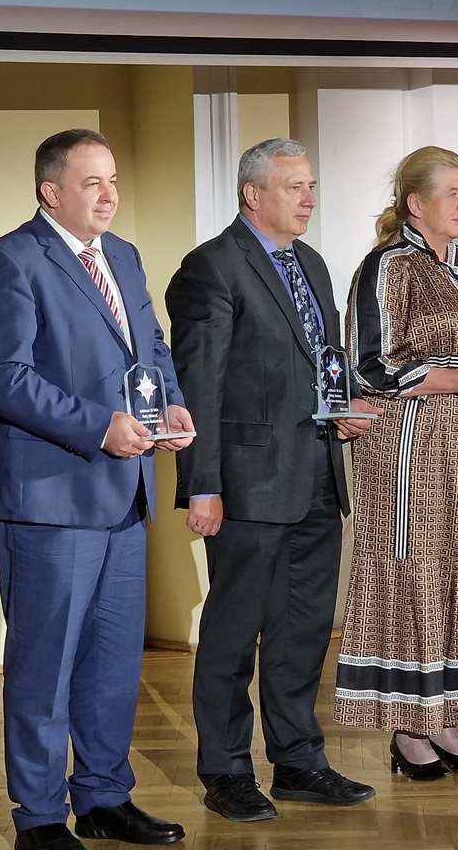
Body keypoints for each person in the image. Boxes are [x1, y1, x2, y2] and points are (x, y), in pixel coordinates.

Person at [0, 129, 195, 850]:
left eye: (114, 181)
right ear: (51, 192)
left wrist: (171, 405)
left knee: (111, 664)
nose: (109, 195)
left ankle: (103, 796)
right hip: (50, 499)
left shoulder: (122, 256)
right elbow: (2, 377)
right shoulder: (10, 261)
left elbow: (150, 348)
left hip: (125, 494)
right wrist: (99, 428)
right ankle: (38, 818)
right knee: (45, 666)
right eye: (92, 182)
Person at [166, 138, 379, 824]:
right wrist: (201, 485)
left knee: (303, 630)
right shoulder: (210, 268)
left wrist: (342, 407)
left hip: (317, 473)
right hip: (247, 483)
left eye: (311, 185)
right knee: (233, 635)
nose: (309, 199)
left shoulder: (311, 263)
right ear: (252, 194)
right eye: (295, 187)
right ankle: (227, 771)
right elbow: (199, 385)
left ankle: (298, 762)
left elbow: (318, 362)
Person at [334, 146, 458, 778]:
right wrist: (454, 378)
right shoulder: (387, 266)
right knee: (417, 571)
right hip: (410, 447)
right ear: (415, 204)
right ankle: (408, 730)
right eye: (452, 193)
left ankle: (443, 715)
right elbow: (369, 363)